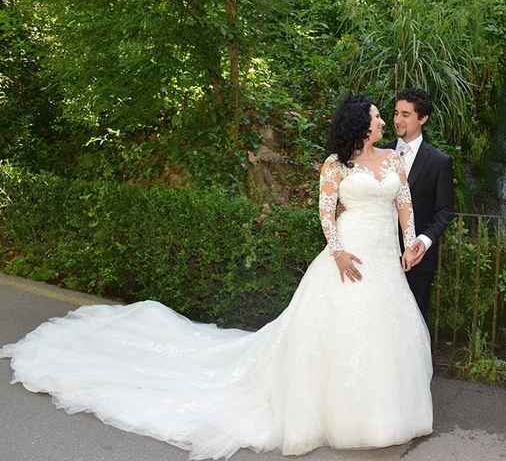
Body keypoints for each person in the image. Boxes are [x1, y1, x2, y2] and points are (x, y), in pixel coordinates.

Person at [0, 93, 433, 459]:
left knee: (383, 332)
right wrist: (337, 252)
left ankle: (384, 414)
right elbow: (324, 213)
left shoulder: (395, 161)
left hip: (385, 258)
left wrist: (411, 242)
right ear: (361, 124)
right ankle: (340, 413)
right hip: (349, 255)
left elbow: (404, 206)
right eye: (378, 115)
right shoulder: (335, 166)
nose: (384, 120)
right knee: (339, 333)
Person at [391, 89, 455, 327]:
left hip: (417, 261)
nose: (398, 120)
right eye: (396, 113)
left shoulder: (439, 162)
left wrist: (424, 242)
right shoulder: (379, 154)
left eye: (406, 114)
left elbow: (445, 210)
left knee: (412, 325)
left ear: (423, 118)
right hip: (379, 252)